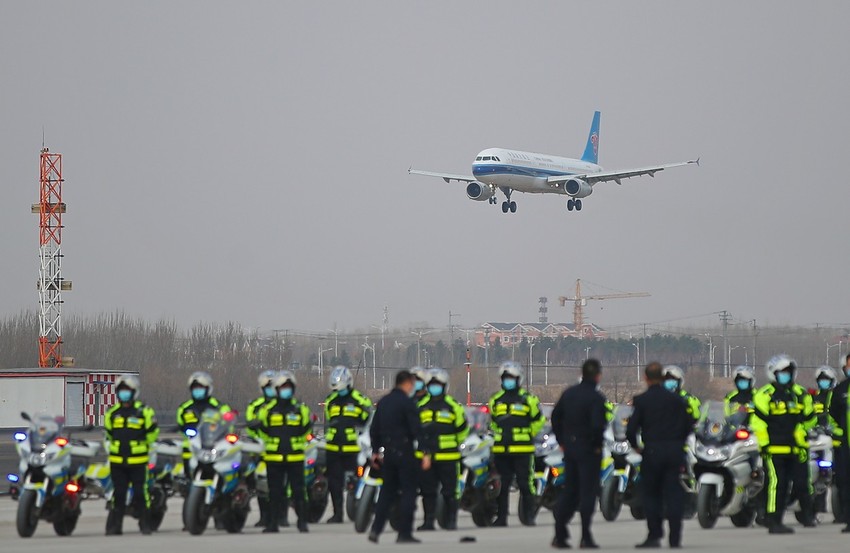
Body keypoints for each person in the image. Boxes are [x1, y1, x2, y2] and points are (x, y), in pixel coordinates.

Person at [626, 362, 693, 549]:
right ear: (663, 378)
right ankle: (675, 538)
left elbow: (631, 430)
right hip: (674, 451)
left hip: (652, 451)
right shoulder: (678, 400)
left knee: (652, 494)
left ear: (645, 378)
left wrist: (636, 447)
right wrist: (679, 442)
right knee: (674, 494)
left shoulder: (642, 400)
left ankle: (654, 535)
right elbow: (689, 425)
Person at [750, 354, 817, 533]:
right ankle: (773, 520)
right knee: (776, 485)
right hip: (773, 449)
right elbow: (758, 422)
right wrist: (764, 445)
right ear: (773, 373)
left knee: (800, 483)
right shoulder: (765, 394)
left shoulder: (799, 394)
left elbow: (810, 419)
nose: (786, 375)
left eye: (789, 372)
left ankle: (806, 515)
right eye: (782, 372)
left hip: (795, 449)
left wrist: (802, 429)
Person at [550, 359, 607, 549]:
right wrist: (597, 445)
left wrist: (562, 441)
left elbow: (555, 416)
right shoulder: (596, 398)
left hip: (571, 449)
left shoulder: (569, 394)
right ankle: (586, 536)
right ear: (598, 376)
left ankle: (559, 533)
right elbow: (599, 426)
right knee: (588, 493)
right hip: (589, 450)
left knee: (570, 491)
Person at [368, 370, 427, 544]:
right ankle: (404, 533)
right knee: (409, 492)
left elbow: (374, 429)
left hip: (388, 454)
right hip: (405, 452)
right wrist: (425, 453)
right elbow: (417, 430)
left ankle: (376, 530)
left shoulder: (384, 402)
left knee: (386, 493)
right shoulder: (407, 403)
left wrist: (375, 452)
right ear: (407, 383)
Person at [488, 360, 545, 527]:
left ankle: (528, 516)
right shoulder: (495, 400)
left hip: (523, 449)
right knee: (502, 486)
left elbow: (539, 420)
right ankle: (502, 518)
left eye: (512, 377)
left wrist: (527, 433)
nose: (508, 380)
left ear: (519, 379)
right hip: (501, 449)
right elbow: (492, 422)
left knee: (525, 484)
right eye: (506, 377)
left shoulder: (529, 400)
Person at [257, 370, 312, 533]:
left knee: (298, 491)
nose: (285, 390)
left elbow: (306, 429)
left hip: (295, 457)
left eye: (288, 386)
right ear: (277, 389)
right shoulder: (267, 410)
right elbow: (262, 430)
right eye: (282, 387)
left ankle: (302, 522)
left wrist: (294, 443)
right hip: (274, 458)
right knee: (274, 492)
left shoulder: (300, 410)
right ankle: (273, 523)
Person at [103, 375, 159, 536]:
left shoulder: (144, 412)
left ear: (134, 392)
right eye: (121, 391)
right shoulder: (112, 413)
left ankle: (145, 525)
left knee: (141, 494)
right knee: (118, 494)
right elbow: (108, 434)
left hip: (138, 462)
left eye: (127, 391)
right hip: (117, 461)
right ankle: (115, 527)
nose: (124, 394)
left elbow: (153, 433)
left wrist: (140, 446)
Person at [416, 368, 468, 531]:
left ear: (444, 386)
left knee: (450, 492)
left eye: (437, 384)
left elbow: (462, 430)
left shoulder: (454, 407)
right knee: (428, 492)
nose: (434, 387)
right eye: (431, 384)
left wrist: (449, 443)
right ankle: (428, 522)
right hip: (427, 458)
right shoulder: (420, 406)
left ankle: (451, 520)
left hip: (449, 457)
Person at [324, 365, 373, 523]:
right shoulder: (330, 401)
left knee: (357, 480)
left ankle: (359, 509)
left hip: (354, 449)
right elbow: (329, 422)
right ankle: (337, 514)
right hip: (333, 448)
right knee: (334, 483)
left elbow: (370, 420)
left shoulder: (360, 400)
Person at [176, 371, 231, 477]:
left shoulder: (219, 407)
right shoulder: (184, 408)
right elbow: (180, 425)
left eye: (200, 388)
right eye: (195, 388)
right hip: (191, 450)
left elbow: (228, 425)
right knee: (189, 479)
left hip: (212, 449)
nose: (197, 391)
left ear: (208, 388)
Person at [246, 370, 277, 528]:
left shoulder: (285, 405)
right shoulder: (255, 405)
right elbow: (249, 423)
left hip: (280, 449)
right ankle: (264, 516)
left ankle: (280, 516)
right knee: (260, 485)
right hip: (259, 450)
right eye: (268, 387)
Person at [829, 353, 850, 529]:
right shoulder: (840, 390)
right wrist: (838, 434)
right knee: (844, 481)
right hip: (844, 446)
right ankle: (847, 518)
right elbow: (832, 416)